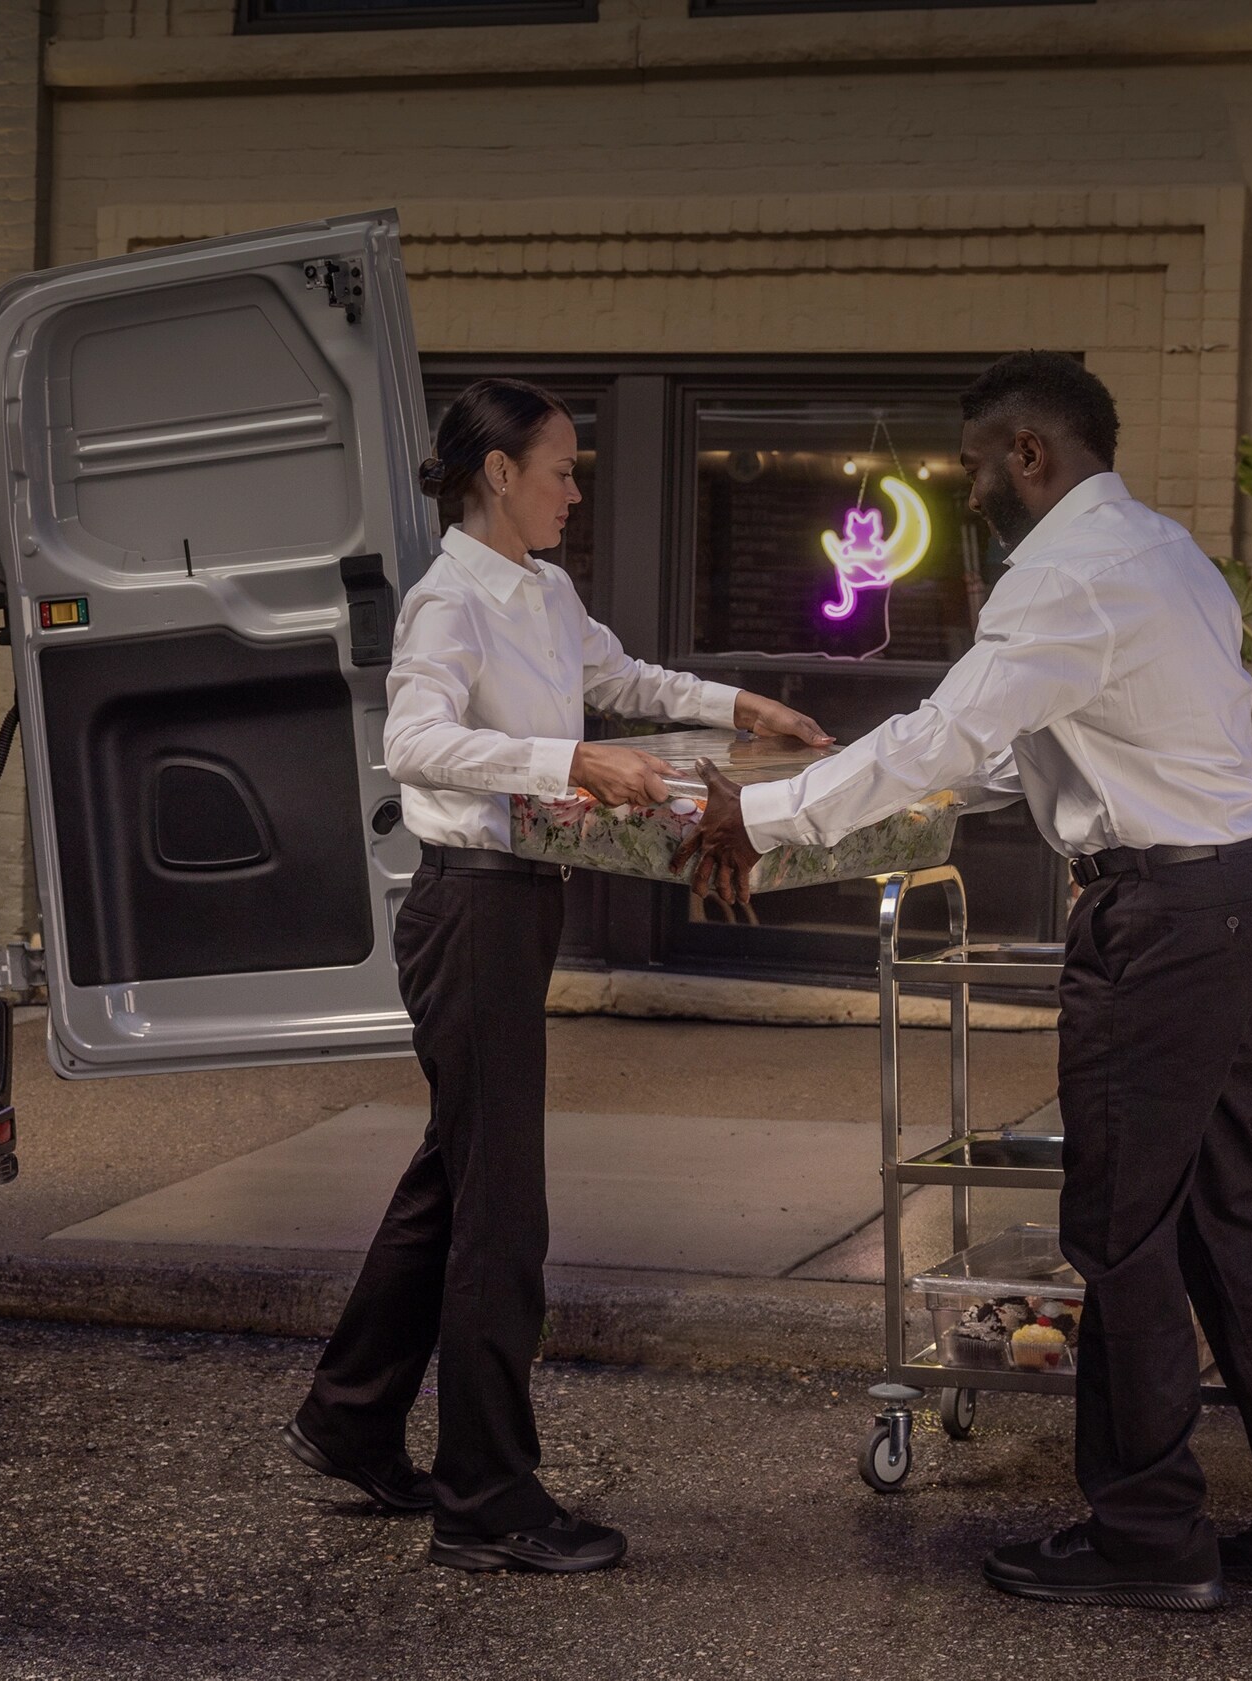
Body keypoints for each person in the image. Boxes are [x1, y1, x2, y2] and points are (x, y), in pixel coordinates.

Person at [677, 353, 1252, 1611]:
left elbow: (949, 731)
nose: (967, 489)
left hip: (1168, 923)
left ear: (1028, 453)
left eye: (974, 465)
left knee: (1122, 1225)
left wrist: (768, 819)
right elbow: (1021, 744)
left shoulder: (1067, 577)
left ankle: (1148, 1534)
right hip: (1243, 894)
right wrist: (819, 801)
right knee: (1216, 1210)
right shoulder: (1159, 550)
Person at [282, 377, 828, 1575]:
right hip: (467, 908)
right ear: (496, 473)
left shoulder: (543, 585)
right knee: (500, 1206)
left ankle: (350, 1414)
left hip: (518, 907)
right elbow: (411, 743)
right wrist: (567, 757)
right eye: (560, 469)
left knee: (455, 1173)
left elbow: (624, 675)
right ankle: (486, 1498)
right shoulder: (446, 602)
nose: (575, 489)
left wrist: (744, 702)